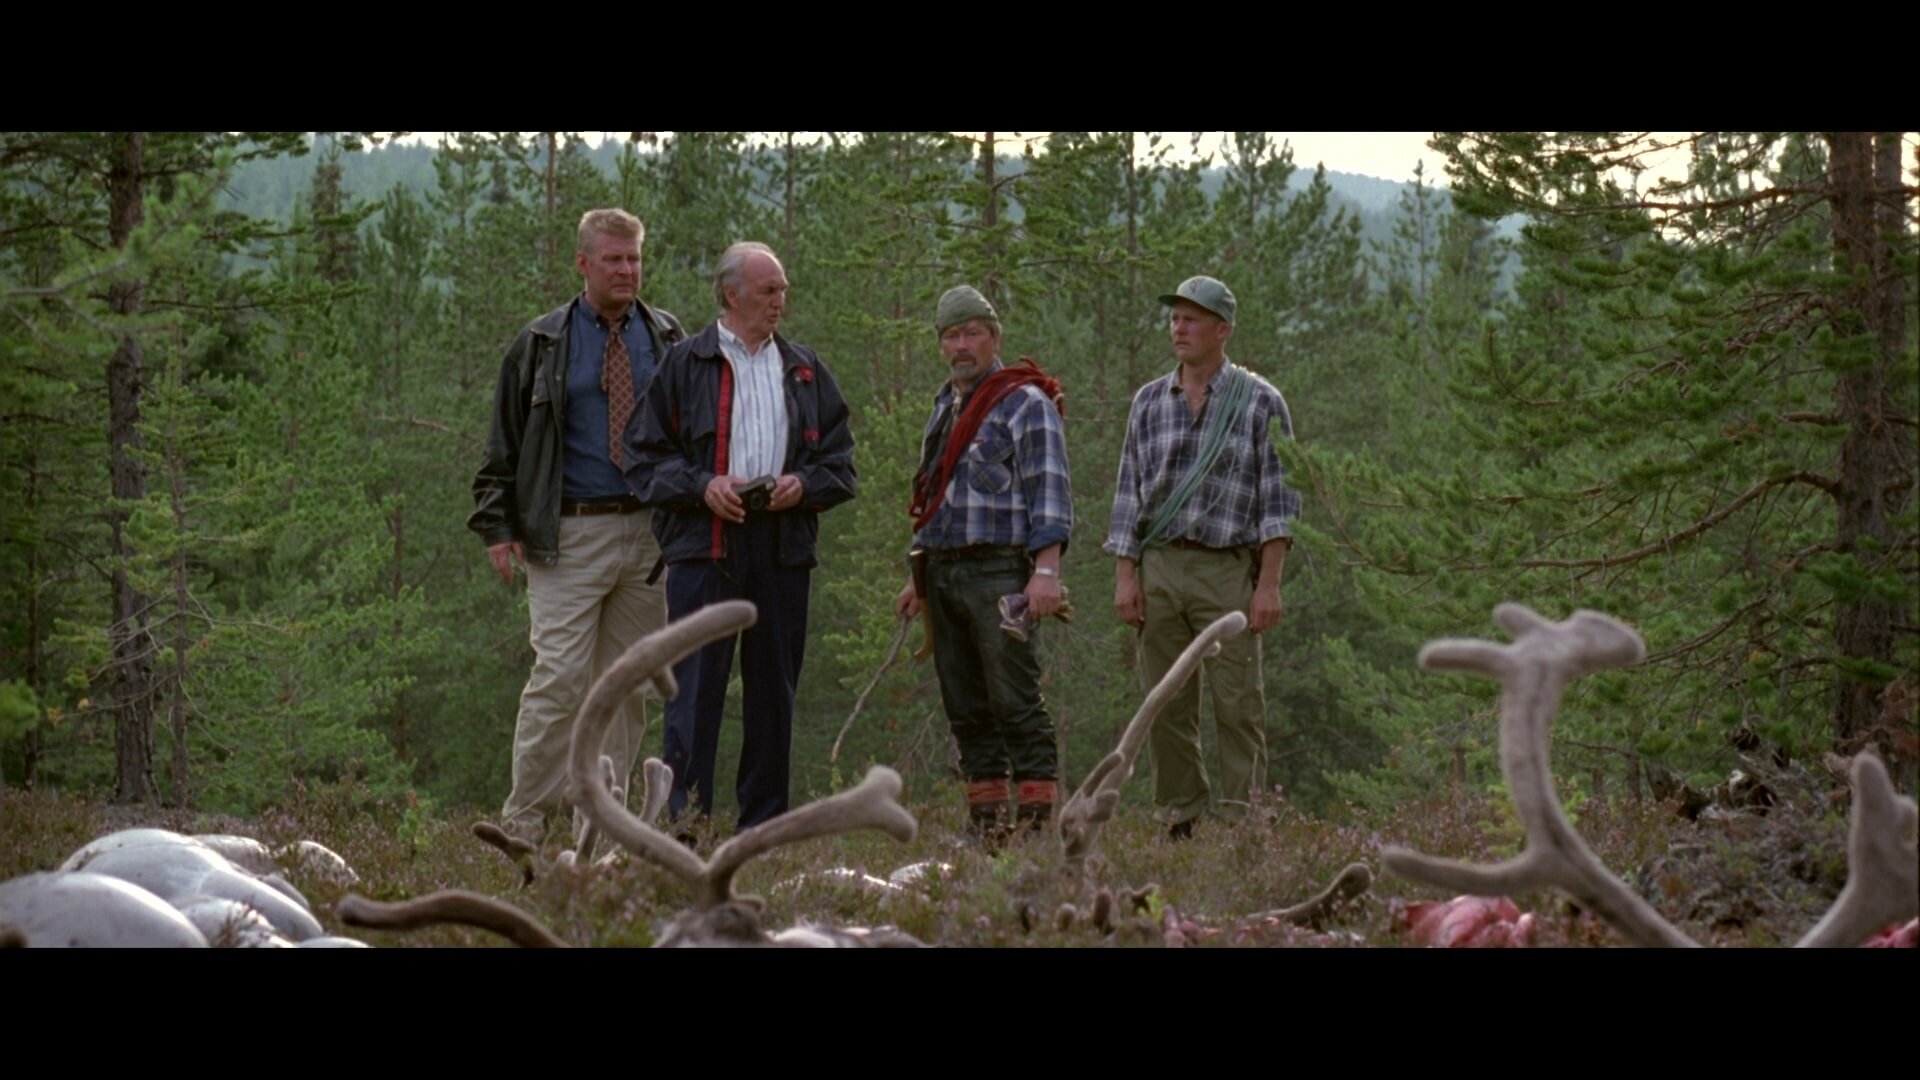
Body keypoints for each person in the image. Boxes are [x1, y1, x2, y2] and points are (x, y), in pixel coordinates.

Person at [469, 208, 686, 846]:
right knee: (560, 679)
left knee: (626, 687)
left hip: (649, 536)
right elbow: (503, 442)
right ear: (583, 263)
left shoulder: (668, 338)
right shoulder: (541, 343)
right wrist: (497, 525)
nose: (626, 270)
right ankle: (524, 823)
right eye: (613, 259)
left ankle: (603, 830)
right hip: (567, 536)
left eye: (634, 259)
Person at [628, 241, 856, 830]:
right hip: (704, 551)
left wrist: (801, 486)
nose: (780, 301)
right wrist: (704, 485)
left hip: (781, 551)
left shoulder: (804, 369)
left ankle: (764, 830)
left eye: (782, 290)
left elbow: (840, 465)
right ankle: (686, 829)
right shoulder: (685, 365)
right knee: (692, 694)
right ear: (732, 294)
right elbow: (643, 459)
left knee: (773, 696)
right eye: (768, 290)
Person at [1104, 275, 1300, 839]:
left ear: (1222, 330)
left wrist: (1269, 584)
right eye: (1175, 318)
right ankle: (1179, 817)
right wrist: (1126, 576)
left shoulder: (1261, 401)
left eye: (1191, 319)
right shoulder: (1149, 401)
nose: (1179, 328)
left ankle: (1244, 822)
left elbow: (1279, 502)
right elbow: (1129, 494)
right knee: (1165, 703)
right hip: (1161, 566)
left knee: (1238, 704)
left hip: (1226, 569)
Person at [894, 285, 1071, 846]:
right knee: (965, 704)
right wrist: (917, 579)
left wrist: (1046, 572)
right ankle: (988, 825)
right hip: (942, 572)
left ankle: (1037, 825)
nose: (961, 346)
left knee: (1015, 699)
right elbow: (932, 492)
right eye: (951, 336)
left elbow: (1050, 492)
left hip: (1000, 573)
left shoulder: (1025, 403)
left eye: (972, 333)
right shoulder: (943, 405)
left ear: (994, 338)